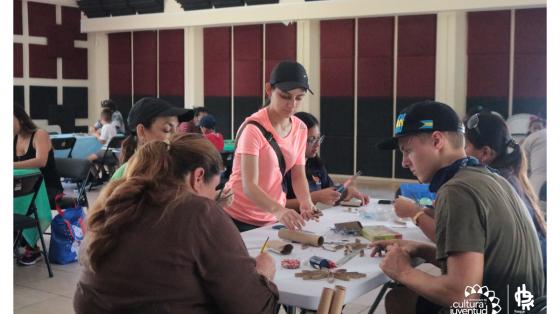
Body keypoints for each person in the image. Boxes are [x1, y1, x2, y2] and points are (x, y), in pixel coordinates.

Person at [74, 134, 278, 313]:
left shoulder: (119, 203)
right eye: (214, 187)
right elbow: (253, 307)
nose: (213, 196)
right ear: (198, 177)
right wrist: (263, 274)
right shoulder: (200, 212)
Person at [373, 100, 543, 314]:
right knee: (402, 297)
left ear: (437, 140)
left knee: (399, 299)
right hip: (524, 306)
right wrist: (422, 250)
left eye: (407, 151)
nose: (404, 162)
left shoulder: (456, 190)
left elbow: (462, 297)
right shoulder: (492, 177)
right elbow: (483, 263)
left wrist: (403, 271)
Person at [393, 113, 547, 274]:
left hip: (510, 295)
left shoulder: (463, 187)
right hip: (528, 289)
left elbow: (463, 292)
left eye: (463, 147)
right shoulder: (499, 178)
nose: (459, 153)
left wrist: (415, 214)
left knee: (403, 292)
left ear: (485, 153)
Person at [223, 60, 317, 232]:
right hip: (238, 215)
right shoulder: (253, 129)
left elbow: (298, 174)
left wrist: (306, 201)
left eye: (299, 98)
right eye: (285, 96)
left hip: (271, 216)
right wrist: (279, 210)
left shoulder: (301, 128)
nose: (292, 104)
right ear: (269, 90)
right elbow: (249, 186)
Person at [285, 111, 369, 209]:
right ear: (295, 139)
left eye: (319, 138)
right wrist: (314, 198)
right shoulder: (282, 168)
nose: (317, 144)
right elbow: (277, 206)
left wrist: (346, 192)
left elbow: (329, 193)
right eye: (312, 140)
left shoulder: (316, 165)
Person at [14, 104, 63, 265]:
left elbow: (41, 161)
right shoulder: (12, 137)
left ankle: (32, 246)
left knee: (22, 201)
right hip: (25, 187)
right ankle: (19, 237)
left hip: (48, 188)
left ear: (20, 119)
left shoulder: (39, 134)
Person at [111, 97, 188, 180]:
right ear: (141, 132)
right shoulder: (124, 176)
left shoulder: (177, 169)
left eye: (177, 129)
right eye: (167, 129)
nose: (176, 136)